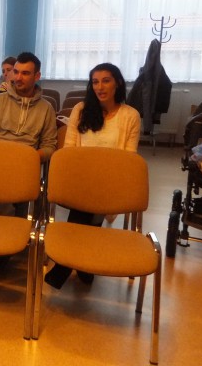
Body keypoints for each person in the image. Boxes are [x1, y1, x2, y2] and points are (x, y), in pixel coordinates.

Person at [44, 62, 141, 290]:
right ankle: (83, 265)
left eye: (106, 81)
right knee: (87, 201)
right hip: (81, 177)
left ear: (117, 83)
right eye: (95, 82)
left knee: (90, 203)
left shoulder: (130, 115)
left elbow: (129, 159)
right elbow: (69, 149)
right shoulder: (81, 109)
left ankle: (66, 265)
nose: (100, 87)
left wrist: (105, 178)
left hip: (112, 180)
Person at [0, 51, 57, 277]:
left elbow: (49, 146)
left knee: (25, 198)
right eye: (16, 72)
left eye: (25, 73)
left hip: (25, 166)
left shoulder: (46, 108)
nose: (18, 77)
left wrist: (29, 158)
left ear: (37, 76)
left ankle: (5, 252)